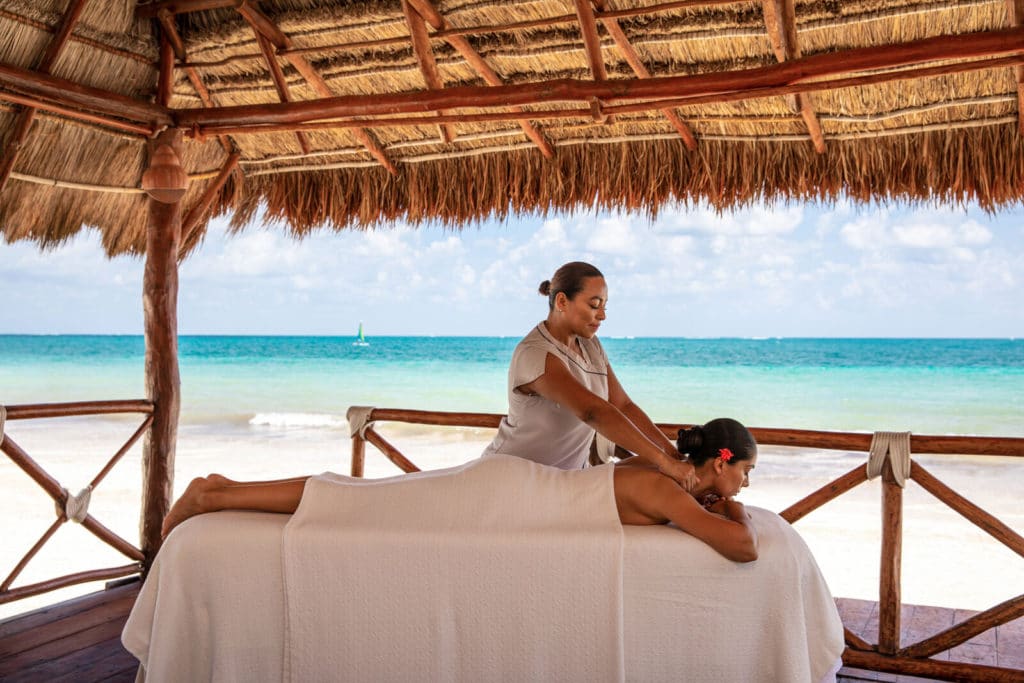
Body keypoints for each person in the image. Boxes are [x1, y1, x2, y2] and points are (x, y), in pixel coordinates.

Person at [161, 418, 758, 563]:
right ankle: (213, 494)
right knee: (353, 499)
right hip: (495, 500)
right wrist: (732, 508)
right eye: (745, 473)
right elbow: (740, 547)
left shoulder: (663, 474)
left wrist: (715, 497)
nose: (747, 485)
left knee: (359, 497)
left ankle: (224, 489)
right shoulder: (671, 490)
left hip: (505, 492)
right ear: (721, 460)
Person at [481, 261, 698, 490]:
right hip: (508, 480)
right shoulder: (536, 353)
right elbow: (592, 412)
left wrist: (674, 456)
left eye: (605, 306)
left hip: (563, 482)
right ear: (562, 301)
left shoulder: (590, 345)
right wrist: (664, 462)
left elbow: (623, 406)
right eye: (594, 305)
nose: (602, 315)